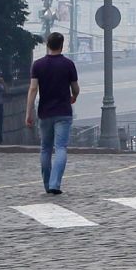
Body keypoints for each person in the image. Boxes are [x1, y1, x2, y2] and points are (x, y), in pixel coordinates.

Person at [25, 32, 80, 195]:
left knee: (45, 149)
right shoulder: (68, 64)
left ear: (47, 45)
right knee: (61, 147)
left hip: (45, 113)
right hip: (63, 111)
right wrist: (74, 96)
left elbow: (33, 89)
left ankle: (47, 184)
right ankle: (55, 183)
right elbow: (75, 88)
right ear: (62, 46)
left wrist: (29, 112)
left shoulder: (38, 65)